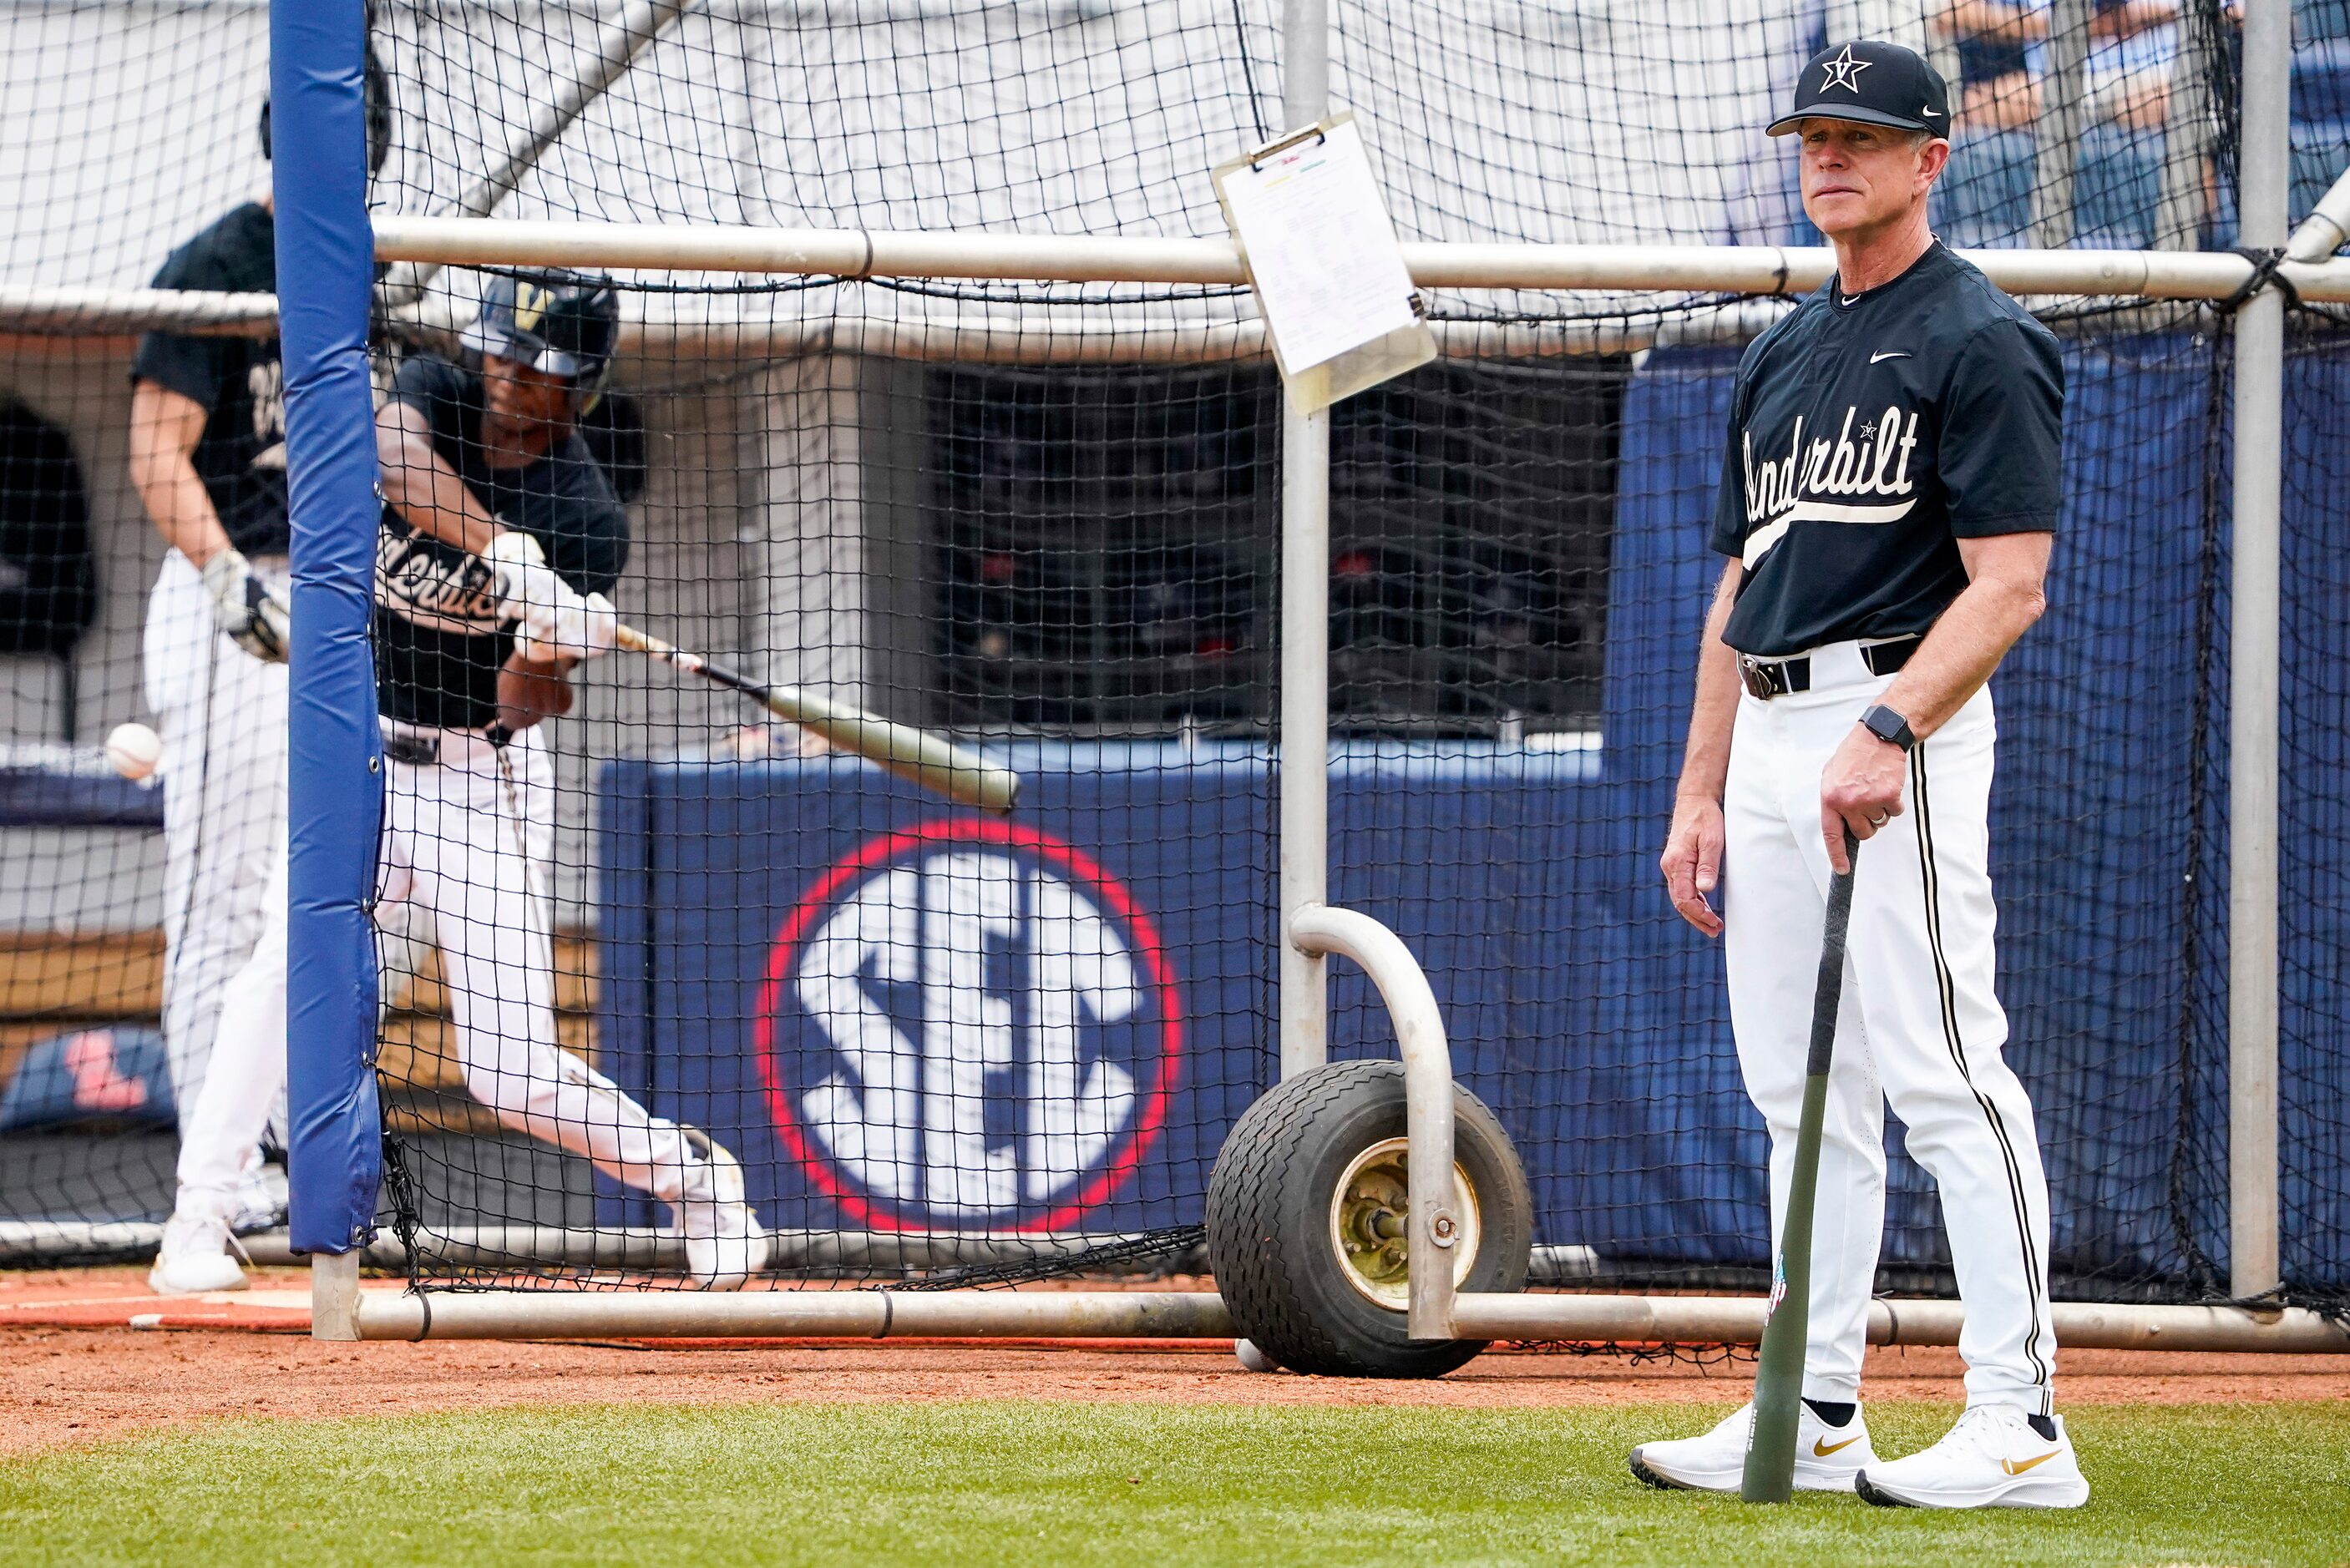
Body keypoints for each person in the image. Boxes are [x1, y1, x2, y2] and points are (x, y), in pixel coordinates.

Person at [1638, 41, 2084, 1510]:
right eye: (1813, 132)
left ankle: (2018, 1422)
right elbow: (1739, 580)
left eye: (1862, 134)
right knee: (1796, 1094)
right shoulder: (1778, 346)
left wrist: (1889, 728)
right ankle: (1813, 1405)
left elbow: (2007, 585)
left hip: (1895, 725)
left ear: (1926, 159)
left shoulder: (1977, 332)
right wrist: (1698, 787)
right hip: (1769, 730)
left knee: (1945, 1071)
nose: (1829, 154)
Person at [149, 271, 770, 1293]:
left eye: (539, 371)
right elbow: (393, 458)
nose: (510, 380)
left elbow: (526, 705)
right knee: (274, 977)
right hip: (358, 756)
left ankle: (695, 1180)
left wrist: (552, 644)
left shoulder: (588, 522)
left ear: (584, 388)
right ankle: (200, 1215)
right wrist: (502, 552)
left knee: (509, 1071)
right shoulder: (436, 392)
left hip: (477, 778)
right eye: (503, 355)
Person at [129, 72, 388, 1270]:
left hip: (337, 601)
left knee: (322, 895)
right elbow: (154, 448)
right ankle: (213, 1183)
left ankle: (286, 1157)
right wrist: (230, 574)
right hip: (228, 590)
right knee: (223, 902)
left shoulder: (376, 264)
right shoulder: (221, 255)